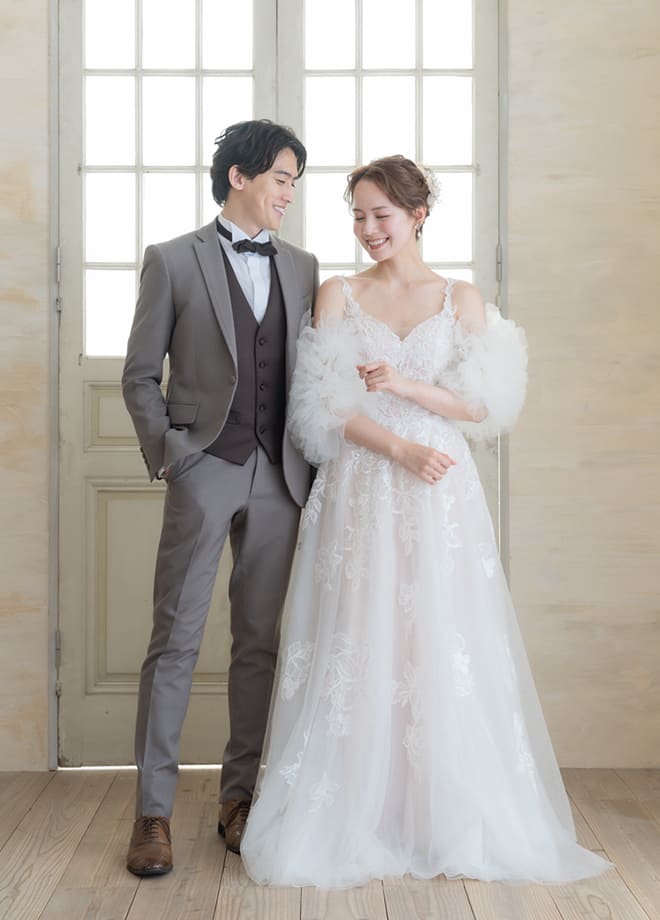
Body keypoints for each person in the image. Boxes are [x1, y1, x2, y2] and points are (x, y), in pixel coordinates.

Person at [240, 155, 609, 887]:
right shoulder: (339, 294)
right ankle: (362, 811)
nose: (367, 229)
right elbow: (321, 408)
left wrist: (407, 388)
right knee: (363, 632)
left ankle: (431, 813)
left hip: (440, 491)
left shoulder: (459, 299)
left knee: (439, 636)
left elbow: (481, 404)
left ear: (418, 215)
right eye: (357, 215)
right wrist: (398, 446)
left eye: (381, 215)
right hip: (364, 484)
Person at [121, 119, 318, 876]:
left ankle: (240, 800)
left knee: (259, 642)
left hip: (281, 478)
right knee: (175, 639)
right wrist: (174, 458)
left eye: (294, 182)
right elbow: (140, 375)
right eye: (281, 179)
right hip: (204, 467)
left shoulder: (303, 266)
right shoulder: (172, 260)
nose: (289, 195)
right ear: (240, 177)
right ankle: (153, 814)